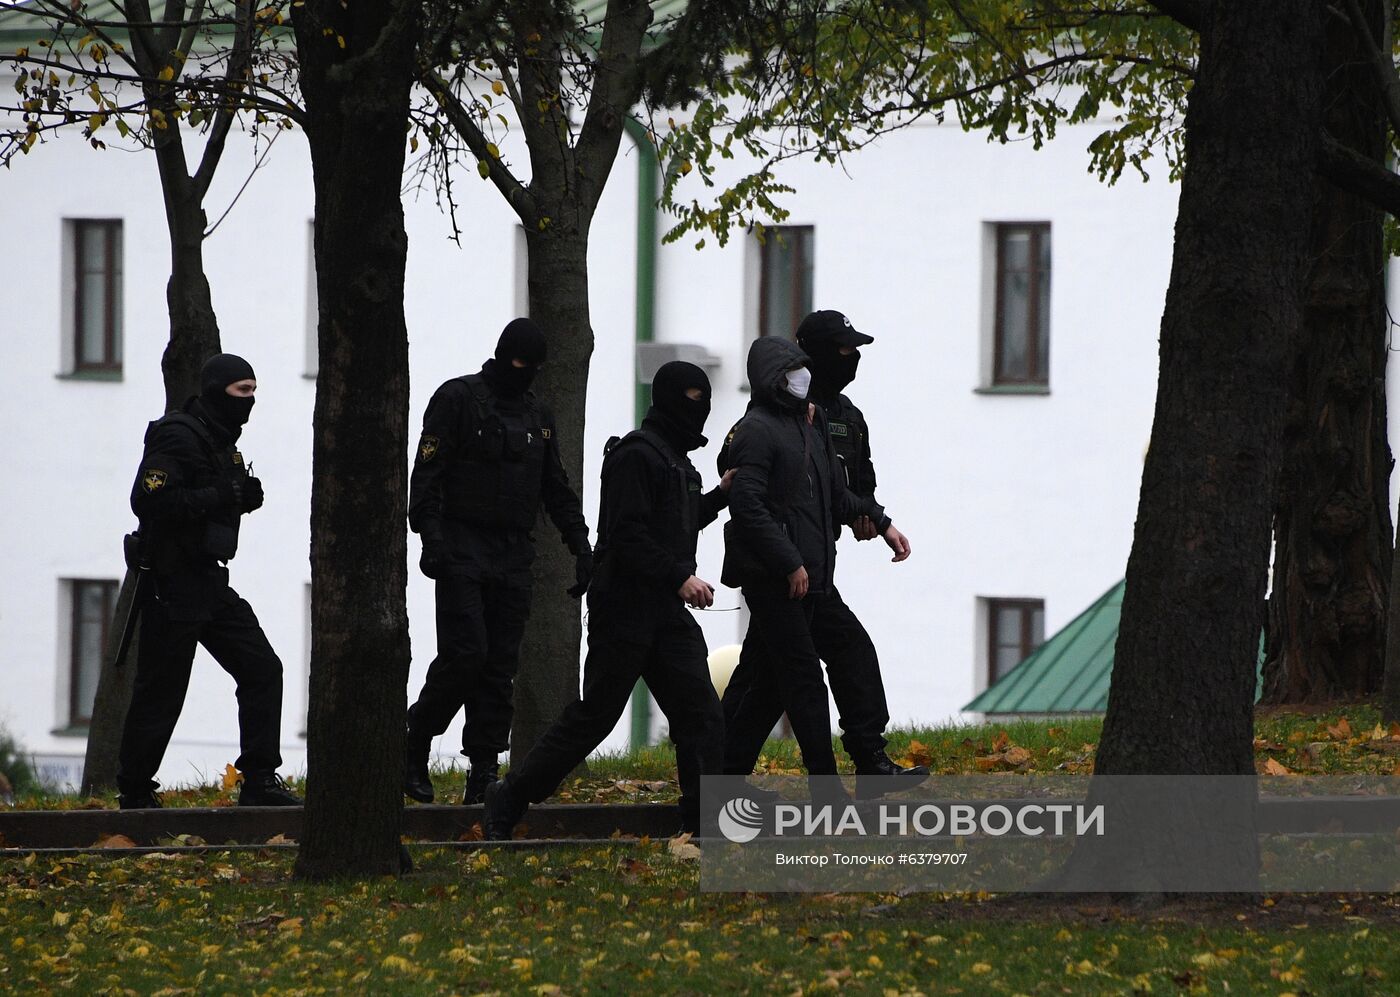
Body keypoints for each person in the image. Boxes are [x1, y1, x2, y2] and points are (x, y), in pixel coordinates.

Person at [482, 361, 729, 839]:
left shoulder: (676, 461)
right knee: (595, 717)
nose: (701, 407)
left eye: (705, 398)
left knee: (701, 713)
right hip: (625, 611)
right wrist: (680, 576)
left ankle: (703, 821)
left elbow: (676, 520)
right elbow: (627, 535)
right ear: (668, 398)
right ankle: (508, 797)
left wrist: (720, 495)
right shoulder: (636, 456)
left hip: (665, 613)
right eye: (693, 397)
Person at [720, 311, 927, 796]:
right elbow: (745, 484)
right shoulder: (767, 422)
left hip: (813, 565)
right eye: (841, 351)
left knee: (771, 679)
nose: (850, 360)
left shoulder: (837, 419)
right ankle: (728, 780)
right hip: (783, 572)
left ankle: (717, 779)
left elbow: (846, 488)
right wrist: (790, 559)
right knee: (797, 676)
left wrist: (876, 521)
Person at [404, 318, 592, 806]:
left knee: (499, 666)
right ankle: (415, 740)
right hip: (462, 547)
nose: (525, 373)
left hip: (512, 554)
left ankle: (483, 770)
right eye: (519, 363)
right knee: (466, 654)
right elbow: (427, 476)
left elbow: (555, 487)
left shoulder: (537, 415)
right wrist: (430, 537)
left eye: (534, 367)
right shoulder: (458, 399)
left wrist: (580, 545)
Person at [117, 353, 301, 809]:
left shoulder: (221, 441)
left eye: (254, 391)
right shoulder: (178, 435)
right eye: (243, 391)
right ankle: (135, 791)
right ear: (218, 390)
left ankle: (259, 780)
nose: (250, 400)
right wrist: (220, 495)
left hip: (208, 581)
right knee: (162, 691)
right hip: (170, 583)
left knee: (262, 669)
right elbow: (149, 500)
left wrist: (241, 498)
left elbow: (213, 499)